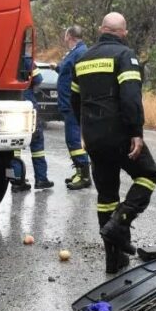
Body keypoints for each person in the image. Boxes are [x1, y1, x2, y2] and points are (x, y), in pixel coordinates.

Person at [71, 12, 156, 273]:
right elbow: (131, 96)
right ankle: (120, 221)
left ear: (101, 29)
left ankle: (115, 259)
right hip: (119, 134)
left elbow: (75, 101)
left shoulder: (83, 59)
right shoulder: (125, 56)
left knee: (106, 196)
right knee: (148, 174)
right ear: (124, 32)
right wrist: (136, 132)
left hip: (94, 137)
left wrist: (87, 129)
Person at [57, 26, 91, 190]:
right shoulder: (74, 52)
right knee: (72, 139)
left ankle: (84, 175)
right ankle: (79, 171)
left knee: (73, 139)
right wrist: (56, 68)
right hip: (68, 102)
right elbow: (68, 73)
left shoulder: (80, 53)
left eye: (65, 34)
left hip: (73, 103)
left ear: (69, 35)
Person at [11, 64, 54, 192]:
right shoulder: (26, 59)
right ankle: (41, 180)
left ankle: (17, 182)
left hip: (10, 105)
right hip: (27, 105)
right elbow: (38, 79)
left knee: (14, 146)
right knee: (37, 144)